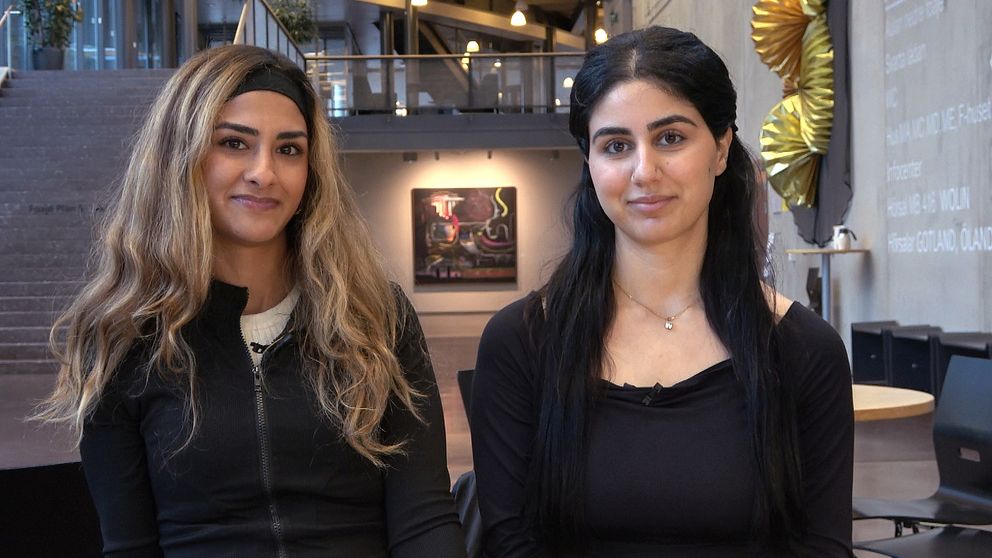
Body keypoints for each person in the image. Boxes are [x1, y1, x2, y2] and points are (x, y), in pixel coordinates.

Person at [38, 45, 467, 558]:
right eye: (234, 143)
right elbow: (130, 546)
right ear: (181, 157)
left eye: (289, 150)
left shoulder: (375, 315)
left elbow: (424, 521)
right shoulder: (120, 334)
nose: (264, 172)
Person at [470, 26, 854, 557]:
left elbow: (822, 548)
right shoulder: (521, 341)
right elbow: (512, 543)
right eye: (616, 146)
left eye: (670, 138)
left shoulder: (802, 348)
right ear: (589, 162)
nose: (644, 171)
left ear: (721, 149)